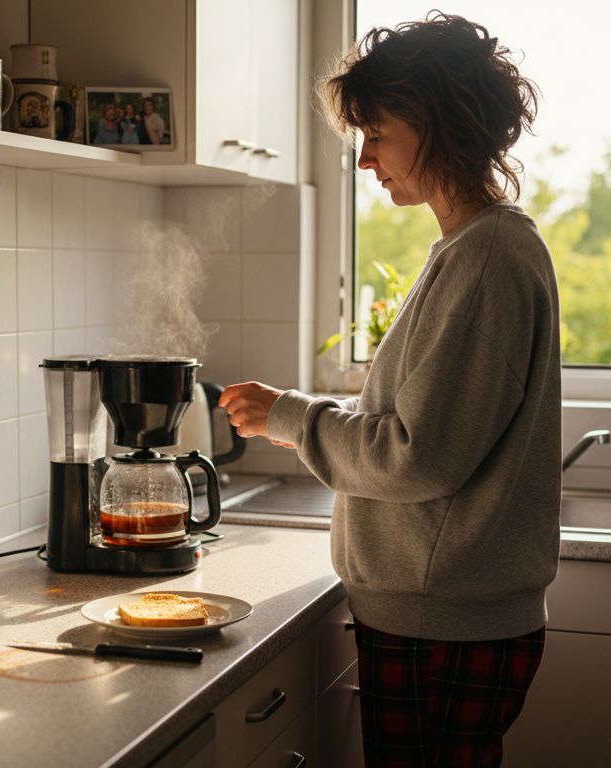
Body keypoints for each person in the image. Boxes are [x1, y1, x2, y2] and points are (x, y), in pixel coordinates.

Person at [218, 12, 557, 767]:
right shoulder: (469, 249)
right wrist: (296, 416)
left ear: (435, 120)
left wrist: (291, 417)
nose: (366, 158)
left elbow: (418, 458)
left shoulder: (489, 258)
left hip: (446, 623)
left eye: (375, 133)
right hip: (439, 615)